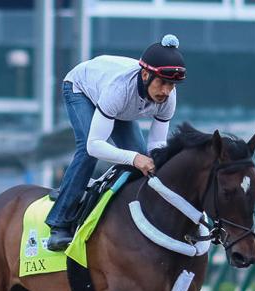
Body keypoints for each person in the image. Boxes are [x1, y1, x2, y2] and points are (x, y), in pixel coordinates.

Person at [45, 34, 186, 252]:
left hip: (118, 106)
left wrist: (155, 162)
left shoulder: (169, 99)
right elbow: (95, 145)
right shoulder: (119, 90)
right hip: (81, 88)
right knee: (88, 151)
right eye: (162, 83)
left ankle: (87, 190)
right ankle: (59, 224)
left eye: (172, 85)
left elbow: (156, 145)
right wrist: (136, 159)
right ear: (146, 74)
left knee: (141, 160)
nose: (166, 91)